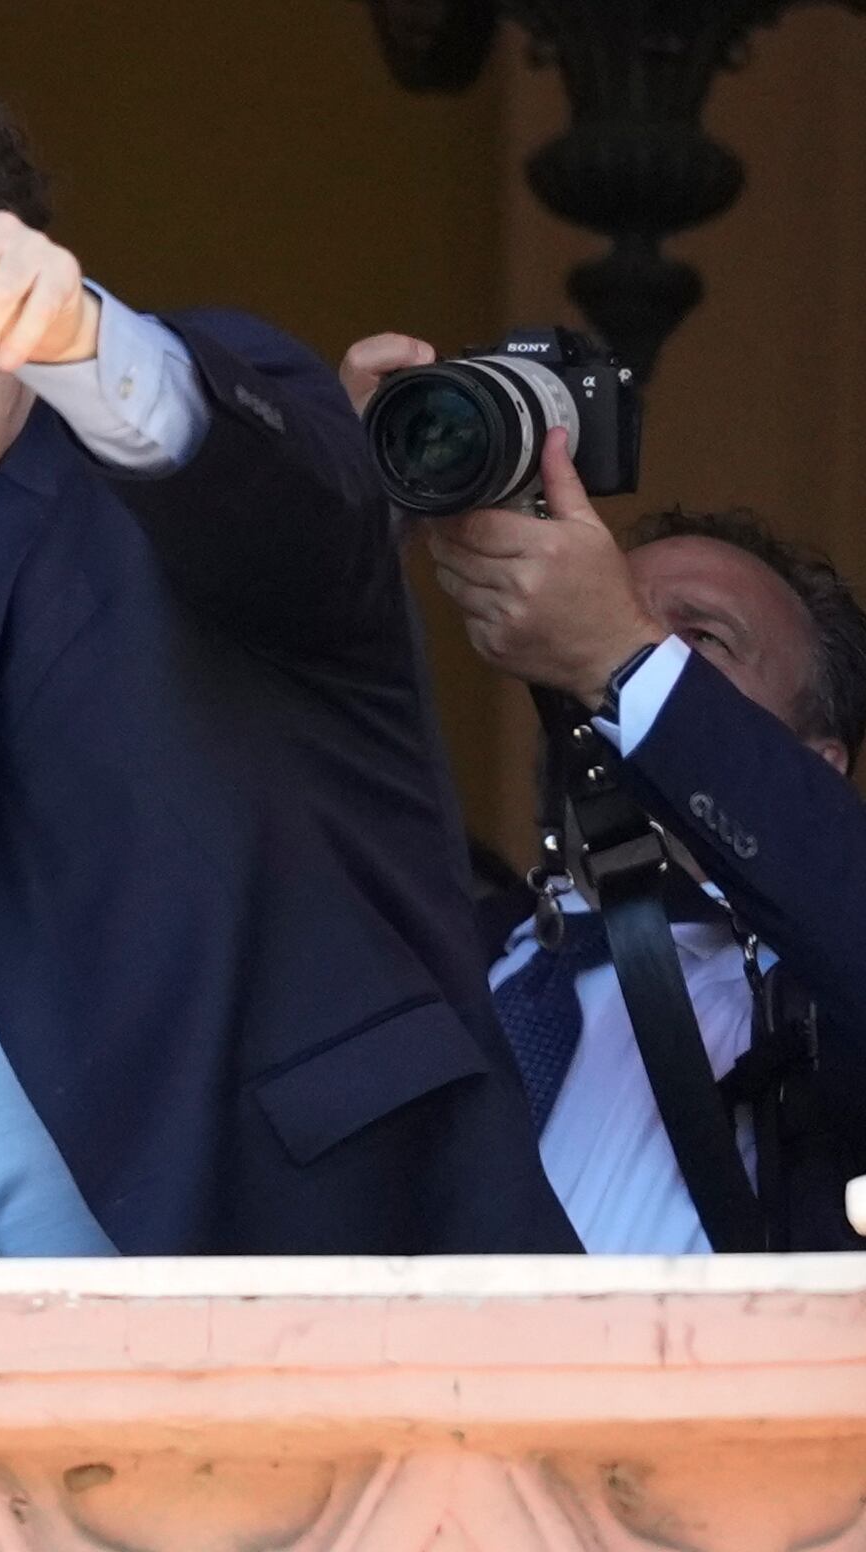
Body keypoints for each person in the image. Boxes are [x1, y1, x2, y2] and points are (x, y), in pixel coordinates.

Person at [0, 25, 575, 1258]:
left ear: (0, 294)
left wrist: (91, 339)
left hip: (357, 1379)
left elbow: (278, 492)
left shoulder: (174, 499)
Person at [344, 333, 866, 1250]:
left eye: (697, 643)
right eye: (606, 602)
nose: (606, 649)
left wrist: (621, 657)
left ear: (817, 764)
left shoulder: (819, 990)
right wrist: (335, 534)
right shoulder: (433, 949)